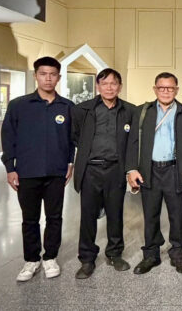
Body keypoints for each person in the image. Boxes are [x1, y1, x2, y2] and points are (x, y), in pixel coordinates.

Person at [1, 56, 74, 282]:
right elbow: (8, 137)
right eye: (43, 74)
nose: (48, 78)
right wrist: (10, 167)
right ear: (35, 76)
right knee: (30, 219)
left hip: (56, 172)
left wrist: (70, 162)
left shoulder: (67, 107)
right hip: (27, 171)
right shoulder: (19, 105)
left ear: (59, 77)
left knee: (54, 217)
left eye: (52, 74)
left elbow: (72, 139)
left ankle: (50, 257)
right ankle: (31, 260)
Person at [125, 72, 182, 275]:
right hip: (149, 170)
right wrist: (131, 169)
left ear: (177, 89)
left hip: (175, 170)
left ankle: (178, 254)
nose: (166, 91)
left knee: (178, 214)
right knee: (150, 214)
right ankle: (151, 255)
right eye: (162, 88)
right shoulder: (142, 112)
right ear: (155, 89)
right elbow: (132, 143)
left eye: (170, 88)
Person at [71, 68, 135, 279]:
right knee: (88, 216)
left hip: (115, 169)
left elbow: (133, 142)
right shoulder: (82, 110)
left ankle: (115, 254)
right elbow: (75, 136)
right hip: (91, 169)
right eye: (104, 83)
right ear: (97, 86)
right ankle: (87, 259)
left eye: (113, 83)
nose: (109, 87)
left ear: (120, 87)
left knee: (115, 213)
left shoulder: (129, 111)